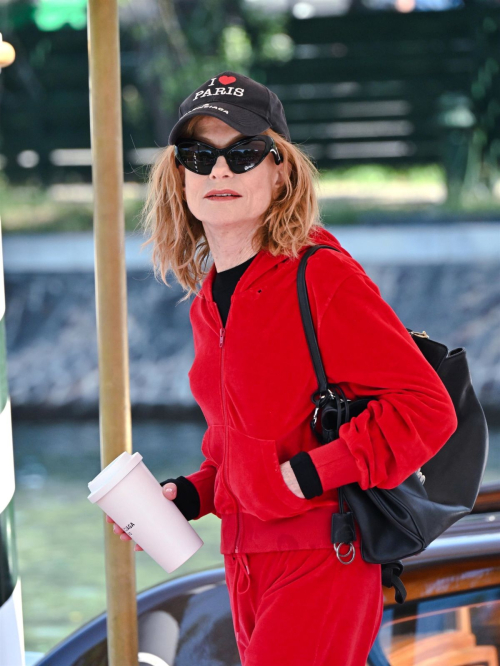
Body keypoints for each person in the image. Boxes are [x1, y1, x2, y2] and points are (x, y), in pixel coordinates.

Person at [107, 70, 458, 665]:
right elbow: (239, 448)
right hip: (245, 566)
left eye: (243, 153)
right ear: (179, 176)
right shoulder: (208, 301)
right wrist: (190, 496)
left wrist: (306, 476)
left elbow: (427, 411)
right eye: (199, 155)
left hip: (323, 559)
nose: (219, 170)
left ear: (281, 170)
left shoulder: (320, 276)